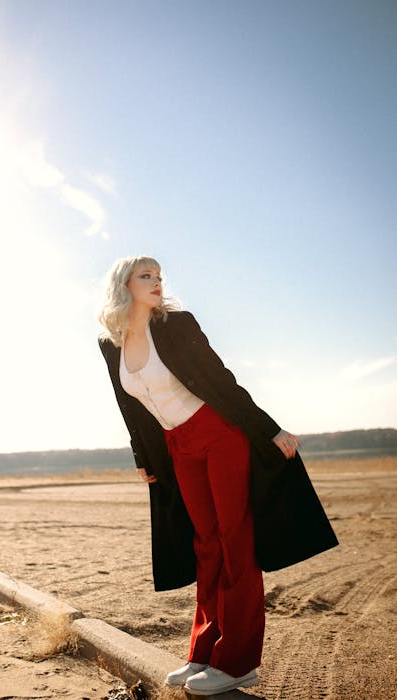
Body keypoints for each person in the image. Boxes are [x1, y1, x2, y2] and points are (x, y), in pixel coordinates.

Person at [98, 255, 338, 696]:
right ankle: (203, 652)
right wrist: (143, 458)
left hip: (219, 435)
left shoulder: (177, 323)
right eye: (146, 276)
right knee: (205, 545)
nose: (157, 282)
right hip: (178, 448)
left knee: (234, 540)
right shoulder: (110, 343)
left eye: (158, 276)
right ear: (124, 284)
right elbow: (129, 406)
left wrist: (270, 429)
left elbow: (221, 380)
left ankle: (239, 662)